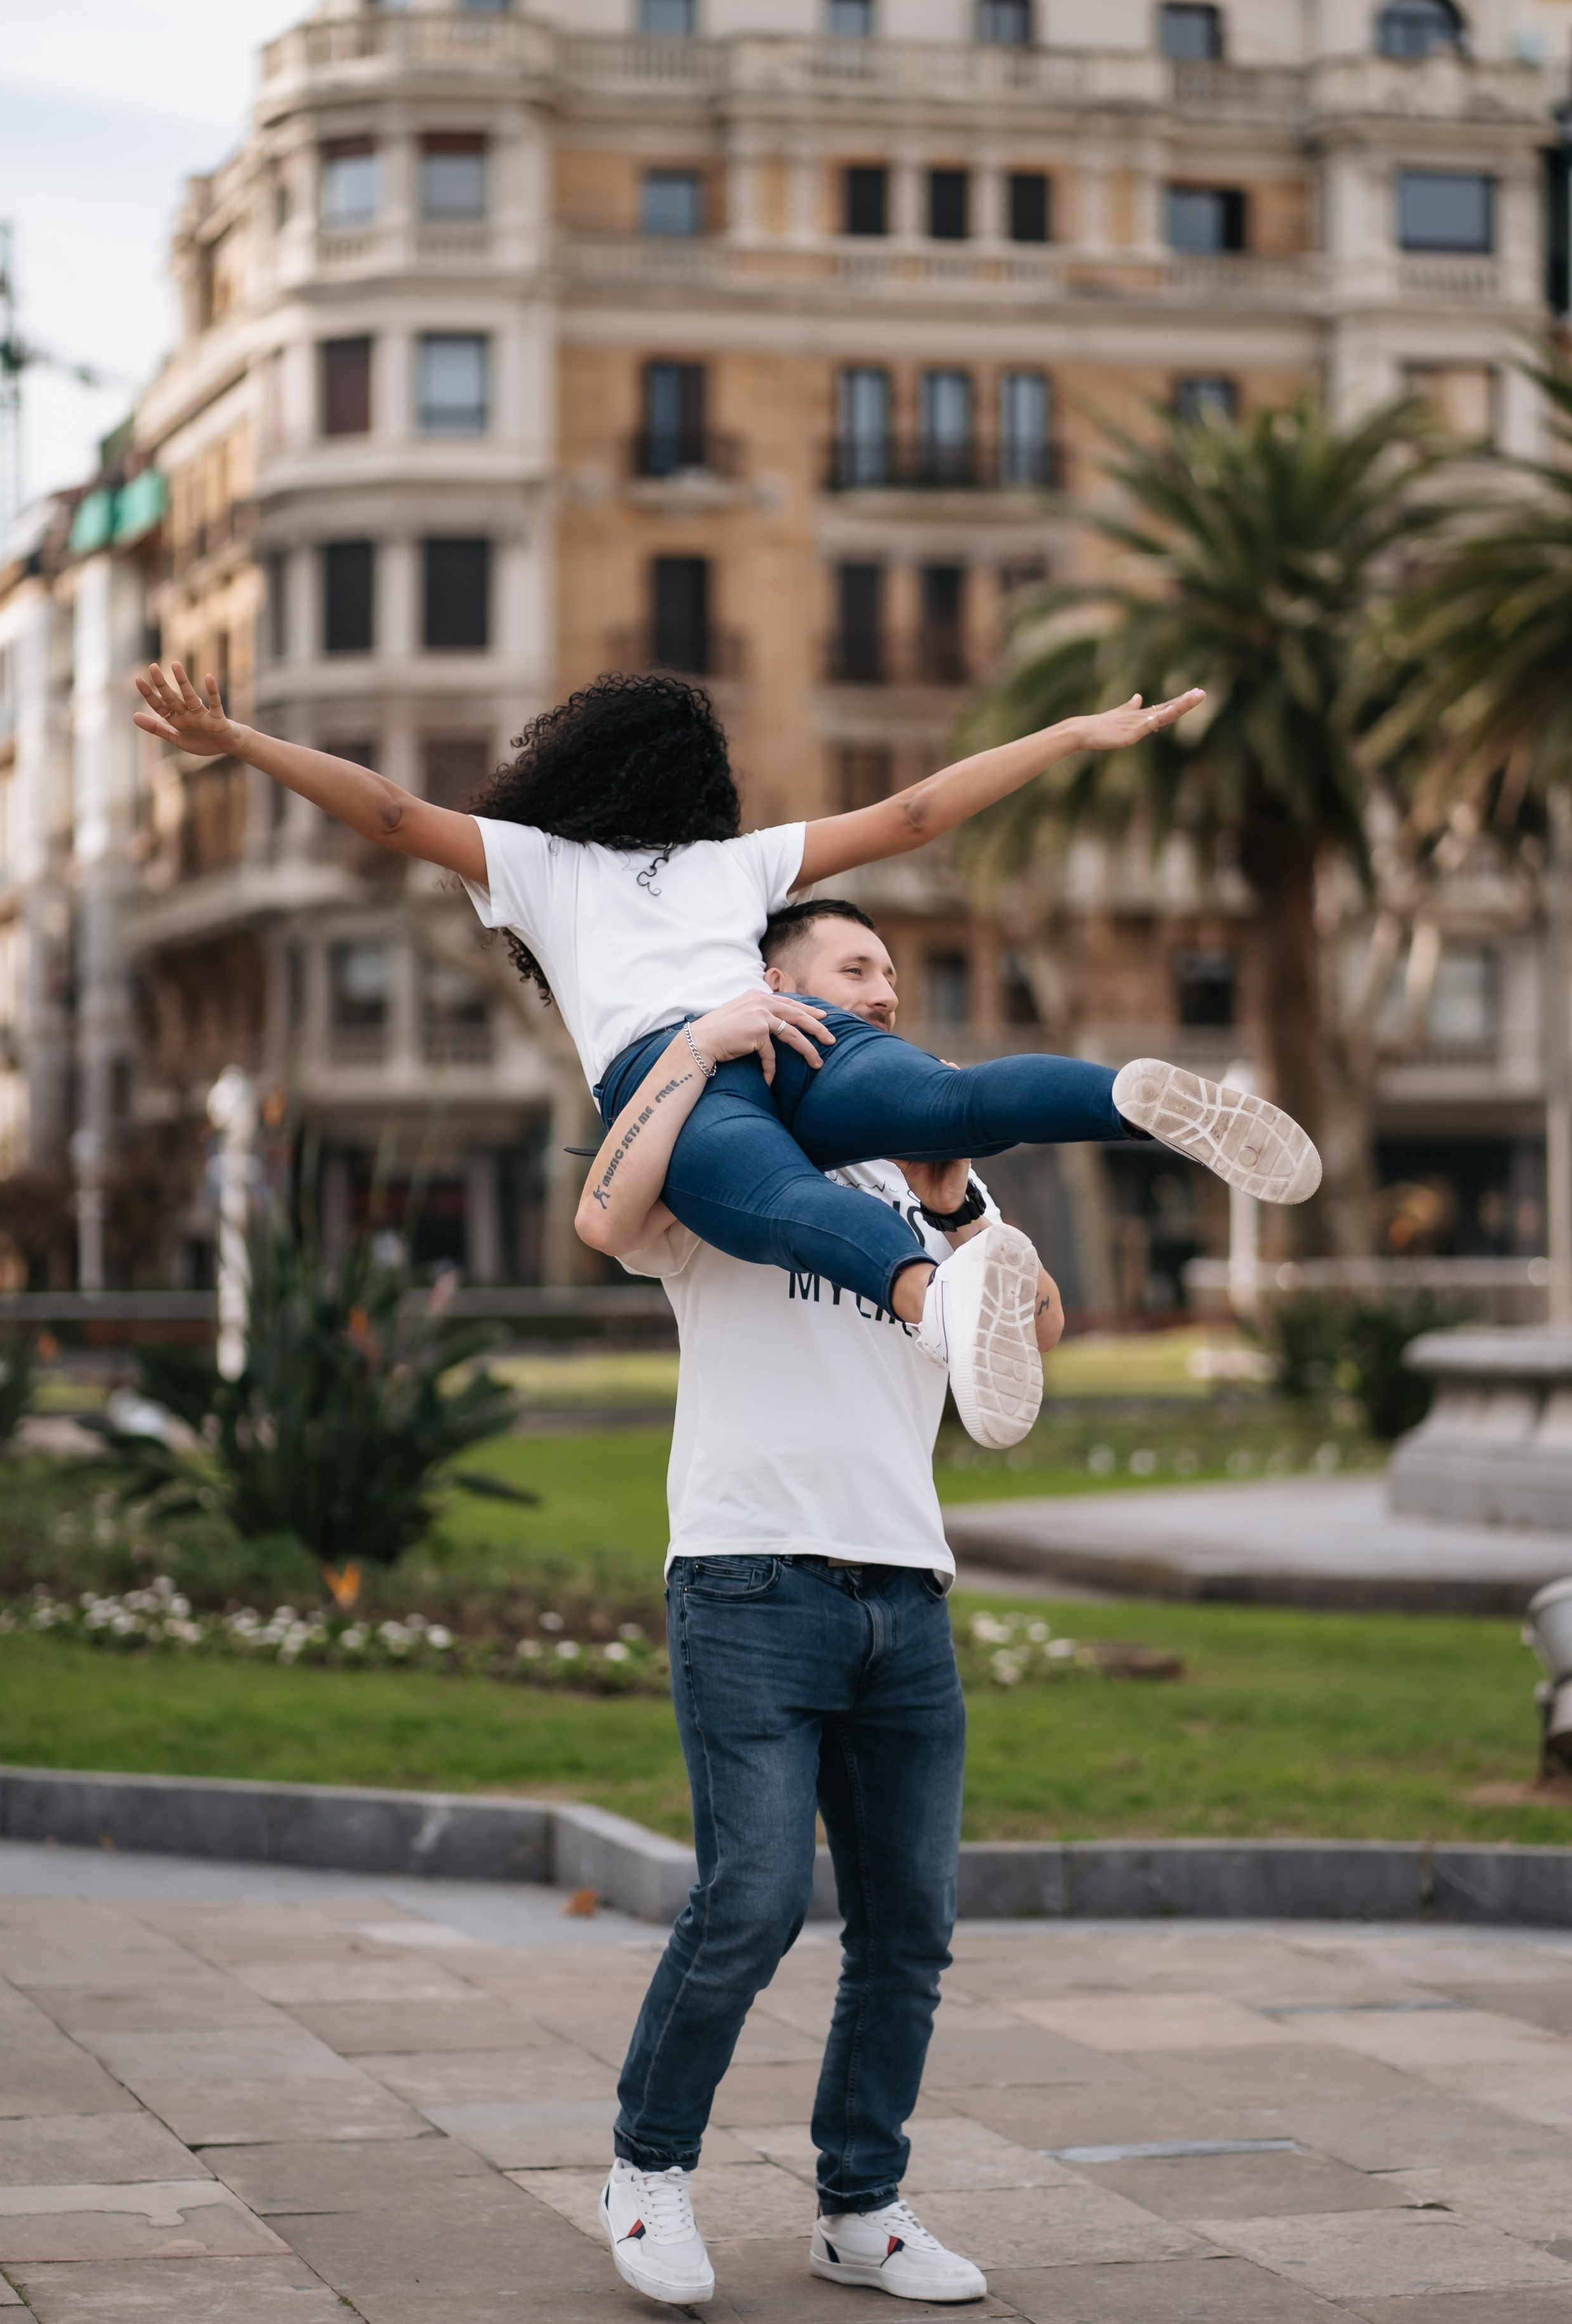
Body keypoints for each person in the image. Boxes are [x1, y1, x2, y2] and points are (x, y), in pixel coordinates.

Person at [131, 664, 1320, 1446]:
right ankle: (1130, 1098)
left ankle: (938, 1299)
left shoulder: (541, 863)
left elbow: (389, 814)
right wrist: (1068, 733)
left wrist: (240, 740)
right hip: (797, 1029)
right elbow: (914, 816)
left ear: (573, 764)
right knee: (948, 1104)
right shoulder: (740, 862)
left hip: (683, 1070)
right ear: (707, 780)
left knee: (779, 1207)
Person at [578, 898, 1061, 2309]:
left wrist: (958, 1196)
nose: (886, 992)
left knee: (907, 1926)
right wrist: (701, 1047)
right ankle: (645, 2171)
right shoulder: (730, 1161)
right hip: (746, 1576)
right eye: (858, 969)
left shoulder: (921, 1185)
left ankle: (859, 2208)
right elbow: (601, 1213)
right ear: (779, 985)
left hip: (902, 1591)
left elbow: (1034, 1342)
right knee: (752, 1902)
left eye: (895, 977)